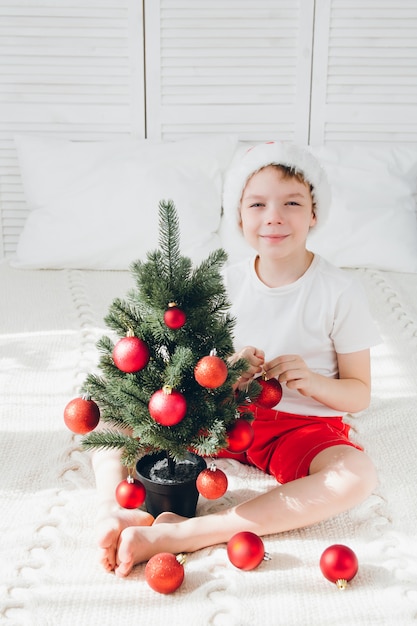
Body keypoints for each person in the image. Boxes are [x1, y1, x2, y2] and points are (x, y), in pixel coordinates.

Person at [94, 141, 380, 577]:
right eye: (258, 204)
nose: (274, 216)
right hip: (225, 415)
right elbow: (191, 369)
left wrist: (312, 381)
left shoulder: (339, 291)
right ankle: (113, 510)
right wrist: (227, 369)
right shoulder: (224, 282)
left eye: (292, 203)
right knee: (112, 415)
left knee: (356, 474)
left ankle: (191, 532)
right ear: (240, 216)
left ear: (314, 213)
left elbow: (359, 393)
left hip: (299, 427)